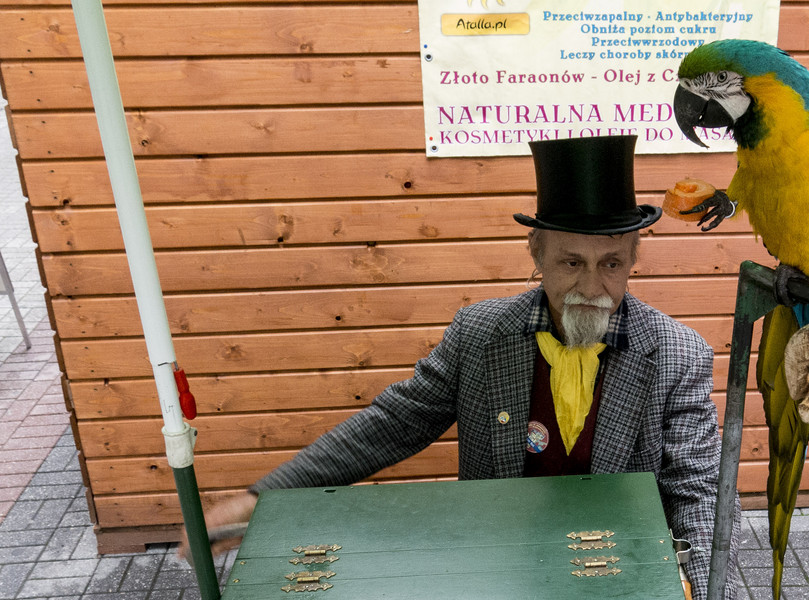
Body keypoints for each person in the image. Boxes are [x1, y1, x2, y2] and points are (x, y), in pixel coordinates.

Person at [182, 135, 740, 599]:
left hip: (616, 570)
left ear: (633, 261)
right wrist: (266, 496)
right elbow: (393, 422)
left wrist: (697, 584)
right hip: (502, 566)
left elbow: (699, 488)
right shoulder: (480, 336)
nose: (592, 287)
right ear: (536, 253)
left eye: (611, 264)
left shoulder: (676, 353)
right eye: (571, 262)